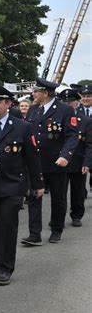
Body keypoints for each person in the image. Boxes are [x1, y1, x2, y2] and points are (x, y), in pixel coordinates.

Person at [0, 84, 44, 285]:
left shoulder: (23, 126)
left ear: (8, 103)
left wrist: (37, 183)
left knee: (8, 225)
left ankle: (5, 266)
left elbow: (32, 157)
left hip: (13, 185)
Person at [21, 78, 78, 246]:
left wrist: (65, 155)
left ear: (45, 93)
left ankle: (57, 229)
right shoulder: (32, 110)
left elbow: (72, 136)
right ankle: (34, 234)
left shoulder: (65, 110)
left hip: (56, 162)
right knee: (34, 197)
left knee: (58, 198)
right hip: (35, 163)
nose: (33, 94)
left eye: (36, 91)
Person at [58, 89, 92, 226]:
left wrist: (87, 163)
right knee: (59, 193)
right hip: (60, 161)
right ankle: (58, 218)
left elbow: (90, 144)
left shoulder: (85, 120)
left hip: (78, 160)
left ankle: (76, 215)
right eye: (65, 102)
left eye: (70, 102)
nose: (68, 105)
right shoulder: (57, 117)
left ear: (77, 103)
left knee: (78, 191)